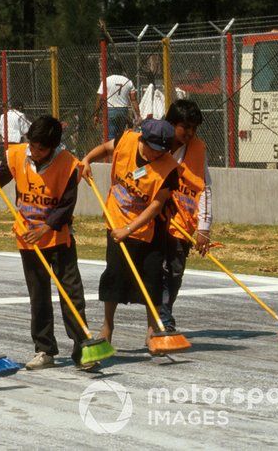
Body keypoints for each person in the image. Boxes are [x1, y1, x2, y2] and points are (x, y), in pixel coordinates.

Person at [0, 115, 93, 370]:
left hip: (58, 239)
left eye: (41, 148)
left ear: (53, 147)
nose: (34, 151)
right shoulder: (17, 155)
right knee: (38, 296)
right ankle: (44, 349)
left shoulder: (68, 165)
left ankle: (83, 349)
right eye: (32, 145)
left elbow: (66, 205)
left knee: (71, 294)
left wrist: (46, 227)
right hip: (28, 239)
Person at [81, 119, 179, 346]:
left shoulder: (169, 167)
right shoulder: (127, 141)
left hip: (147, 230)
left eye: (162, 151)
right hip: (116, 221)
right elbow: (105, 148)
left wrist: (130, 229)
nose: (157, 156)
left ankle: (152, 331)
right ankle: (107, 327)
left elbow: (156, 205)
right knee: (113, 276)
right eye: (154, 150)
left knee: (152, 280)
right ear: (144, 140)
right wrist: (87, 160)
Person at [161, 100, 213, 331]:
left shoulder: (199, 150)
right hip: (153, 221)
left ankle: (164, 314)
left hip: (182, 224)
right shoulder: (155, 142)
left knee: (174, 272)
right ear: (171, 124)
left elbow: (205, 188)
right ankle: (161, 321)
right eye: (185, 127)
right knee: (156, 270)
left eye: (194, 128)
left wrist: (204, 227)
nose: (190, 133)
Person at [94, 66, 140, 140]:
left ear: (111, 70)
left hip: (110, 110)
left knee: (111, 136)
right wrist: (138, 114)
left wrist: (96, 115)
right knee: (120, 136)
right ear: (121, 71)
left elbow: (99, 98)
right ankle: (119, 150)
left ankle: (112, 150)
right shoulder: (128, 81)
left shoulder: (106, 80)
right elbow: (133, 99)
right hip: (123, 111)